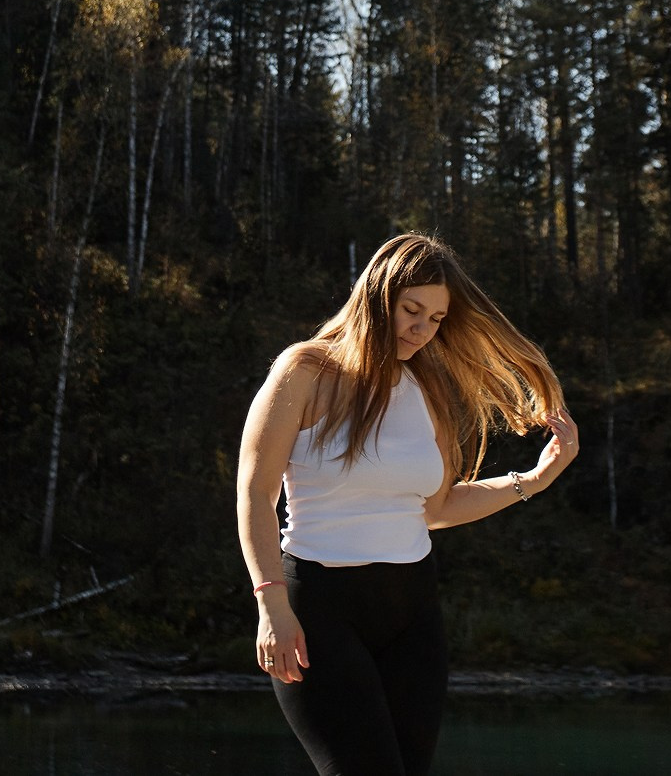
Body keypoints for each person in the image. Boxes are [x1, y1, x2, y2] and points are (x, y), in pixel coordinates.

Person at [236, 234, 579, 776]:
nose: (421, 330)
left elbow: (437, 508)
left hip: (413, 612)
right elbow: (255, 494)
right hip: (320, 610)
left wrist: (535, 479)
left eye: (436, 319)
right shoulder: (304, 372)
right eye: (411, 310)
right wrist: (271, 604)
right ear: (378, 297)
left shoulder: (427, 388)